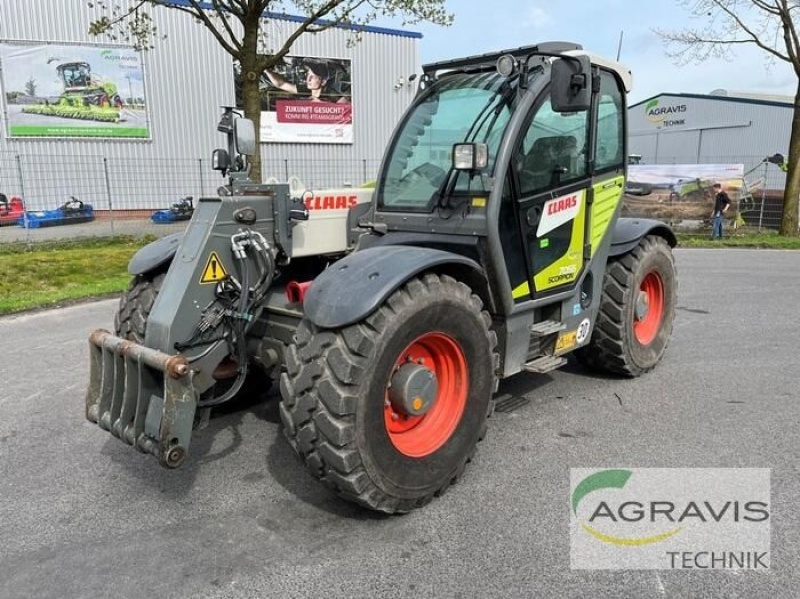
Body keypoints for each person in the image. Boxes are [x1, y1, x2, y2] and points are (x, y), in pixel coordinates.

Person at [265, 59, 348, 103]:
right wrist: (267, 71)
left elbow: (346, 108)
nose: (308, 79)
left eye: (312, 76)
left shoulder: (330, 93)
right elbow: (281, 84)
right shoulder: (306, 90)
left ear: (323, 82)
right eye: (308, 74)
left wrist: (323, 106)